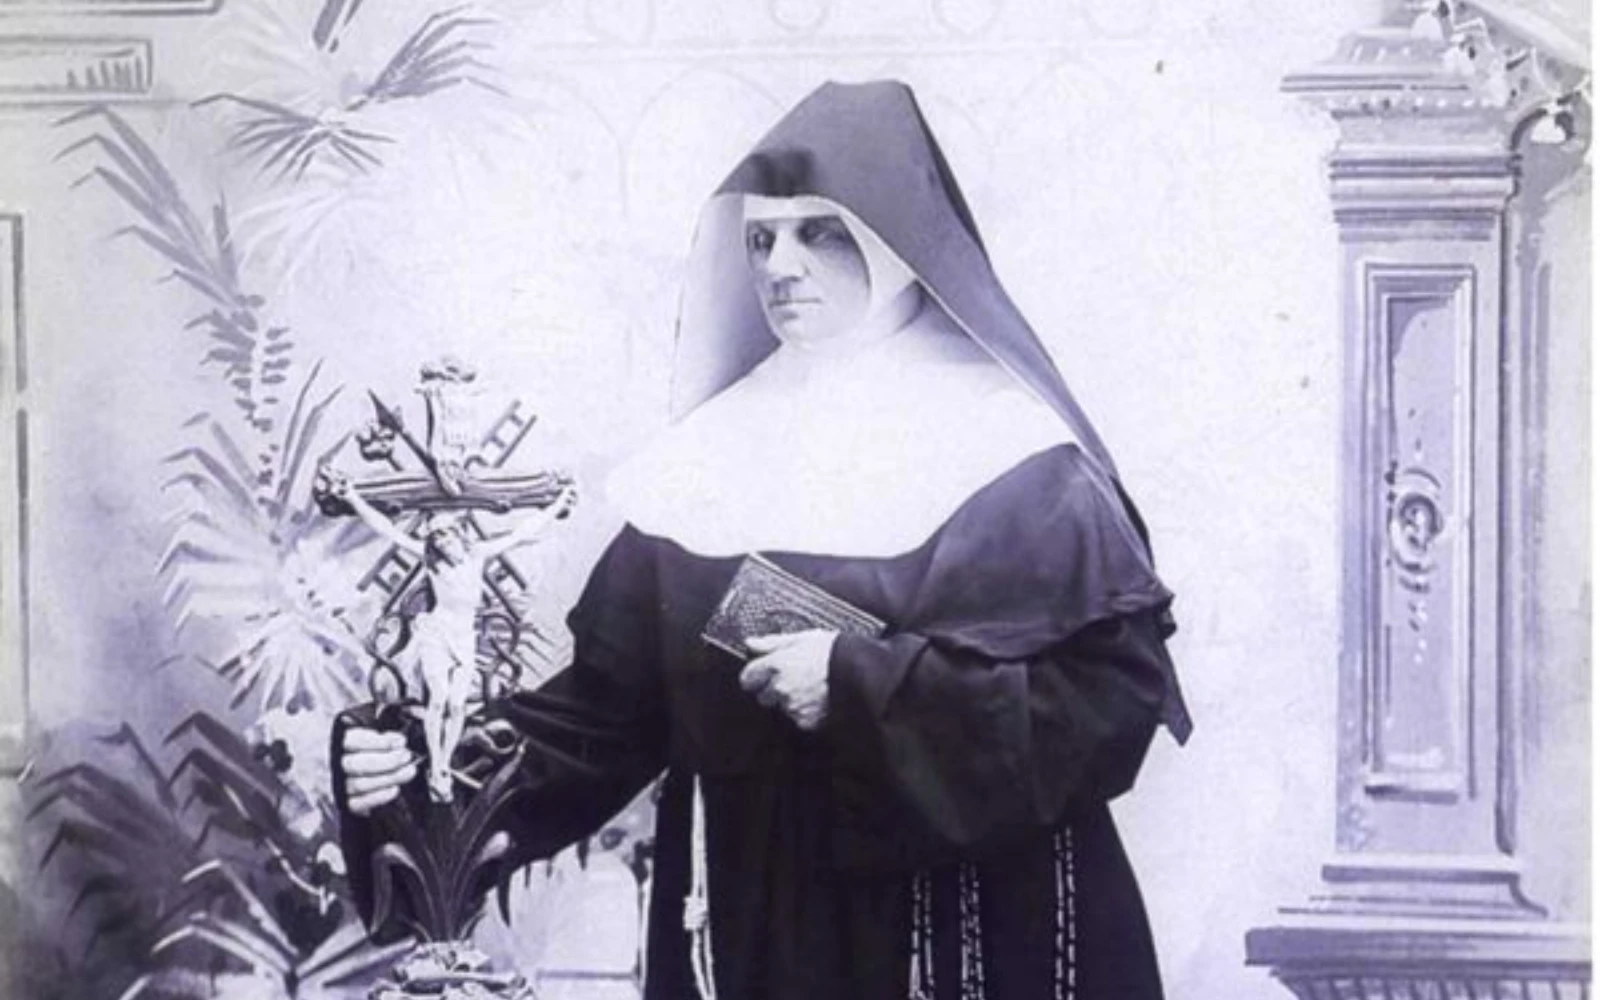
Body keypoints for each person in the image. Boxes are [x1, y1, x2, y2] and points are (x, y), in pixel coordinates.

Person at [333, 79, 1190, 1000]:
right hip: (748, 935)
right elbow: (603, 717)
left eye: (819, 231)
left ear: (896, 243)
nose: (780, 264)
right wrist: (426, 766)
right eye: (760, 238)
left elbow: (1107, 706)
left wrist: (858, 688)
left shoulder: (1017, 457)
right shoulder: (707, 461)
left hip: (957, 937)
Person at [324, 466, 576, 802]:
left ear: (458, 533)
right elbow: (388, 530)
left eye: (446, 534)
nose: (442, 541)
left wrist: (557, 504)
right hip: (436, 635)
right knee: (439, 701)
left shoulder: (477, 556)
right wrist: (354, 498)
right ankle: (438, 770)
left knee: (456, 706)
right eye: (436, 537)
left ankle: (441, 764)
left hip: (463, 639)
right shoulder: (433, 564)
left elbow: (522, 532)